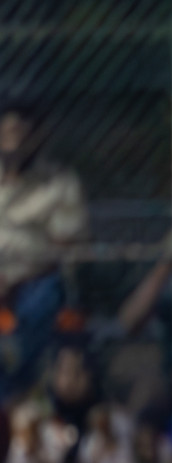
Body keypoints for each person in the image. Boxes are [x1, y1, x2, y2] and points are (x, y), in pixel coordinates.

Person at [0, 101, 87, 398]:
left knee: (42, 300)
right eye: (9, 132)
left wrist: (14, 279)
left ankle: (17, 393)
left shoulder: (59, 182)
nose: (16, 141)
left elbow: (65, 248)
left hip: (37, 278)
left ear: (38, 137)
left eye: (24, 132)